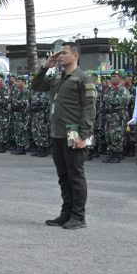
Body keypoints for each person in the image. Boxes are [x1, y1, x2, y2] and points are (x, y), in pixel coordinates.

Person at [31, 43, 95, 230]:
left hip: (74, 133)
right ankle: (66, 213)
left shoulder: (84, 78)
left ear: (75, 56)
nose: (60, 56)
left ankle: (78, 216)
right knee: (63, 176)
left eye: (64, 53)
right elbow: (36, 86)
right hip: (57, 133)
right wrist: (45, 67)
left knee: (75, 175)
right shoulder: (58, 76)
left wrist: (84, 136)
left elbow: (89, 108)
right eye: (59, 54)